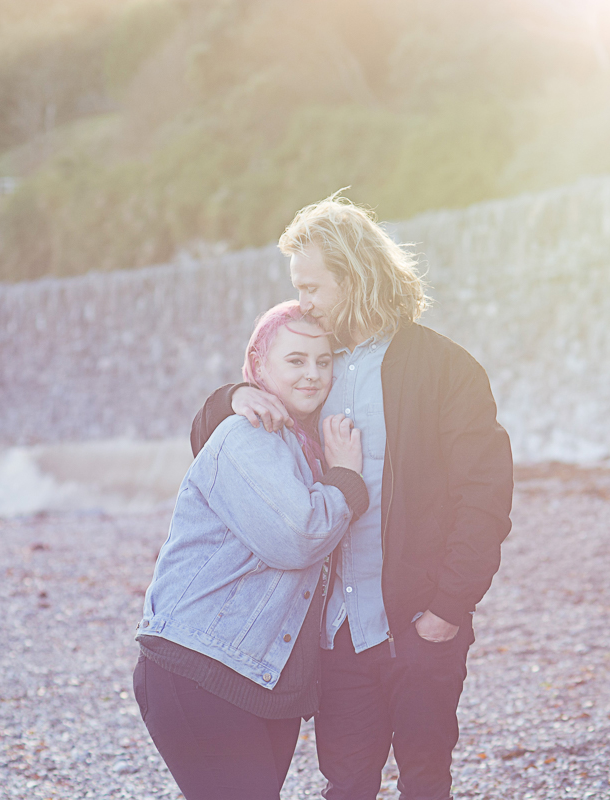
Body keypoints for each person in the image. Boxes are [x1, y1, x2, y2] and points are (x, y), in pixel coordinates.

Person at [189, 195, 514, 800]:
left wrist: (446, 612)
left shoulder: (447, 369)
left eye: (311, 288)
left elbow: (486, 498)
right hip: (336, 633)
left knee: (425, 780)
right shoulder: (318, 365)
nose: (302, 303)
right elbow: (220, 448)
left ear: (354, 274)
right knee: (345, 783)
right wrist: (230, 397)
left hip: (419, 625)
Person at [134, 301, 370, 800]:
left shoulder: (301, 440)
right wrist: (346, 480)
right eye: (296, 360)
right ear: (258, 365)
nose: (312, 375)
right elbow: (298, 538)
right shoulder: (249, 433)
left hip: (259, 681)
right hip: (200, 671)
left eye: (323, 362)